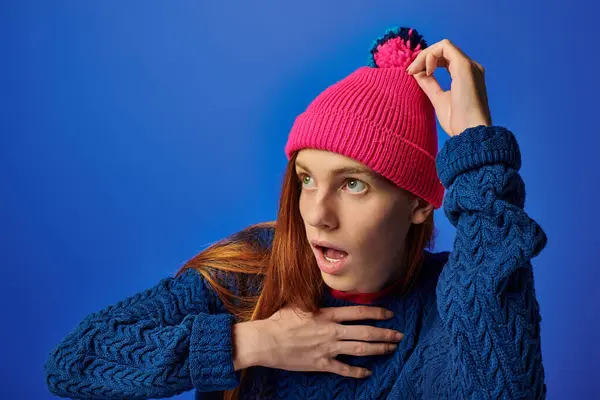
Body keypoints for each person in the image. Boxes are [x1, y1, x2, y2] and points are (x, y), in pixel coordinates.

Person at [44, 26, 547, 399]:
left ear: (420, 202)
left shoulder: (453, 302)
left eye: (353, 184)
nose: (317, 215)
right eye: (307, 179)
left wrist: (477, 150)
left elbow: (509, 387)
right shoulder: (251, 273)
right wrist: (253, 342)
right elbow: (76, 360)